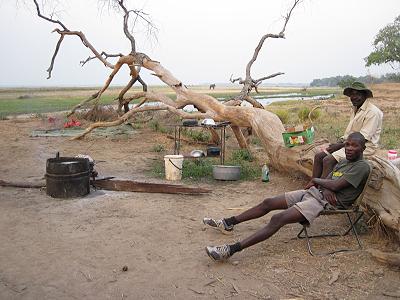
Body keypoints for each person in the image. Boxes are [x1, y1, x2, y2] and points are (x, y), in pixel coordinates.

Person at [203, 132, 371, 261]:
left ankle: (231, 250)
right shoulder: (344, 162)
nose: (349, 148)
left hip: (327, 203)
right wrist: (324, 186)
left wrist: (317, 181)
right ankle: (228, 222)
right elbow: (329, 181)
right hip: (318, 194)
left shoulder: (362, 166)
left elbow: (333, 184)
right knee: (268, 202)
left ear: (363, 148)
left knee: (278, 218)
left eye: (354, 146)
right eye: (347, 144)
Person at [308, 81, 382, 183]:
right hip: (349, 143)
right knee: (319, 156)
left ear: (365, 95)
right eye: (352, 94)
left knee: (328, 160)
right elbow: (350, 133)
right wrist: (339, 142)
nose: (354, 97)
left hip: (364, 147)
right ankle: (313, 184)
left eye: (357, 94)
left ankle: (322, 190)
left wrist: (339, 146)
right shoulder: (355, 108)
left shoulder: (372, 112)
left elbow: (362, 139)